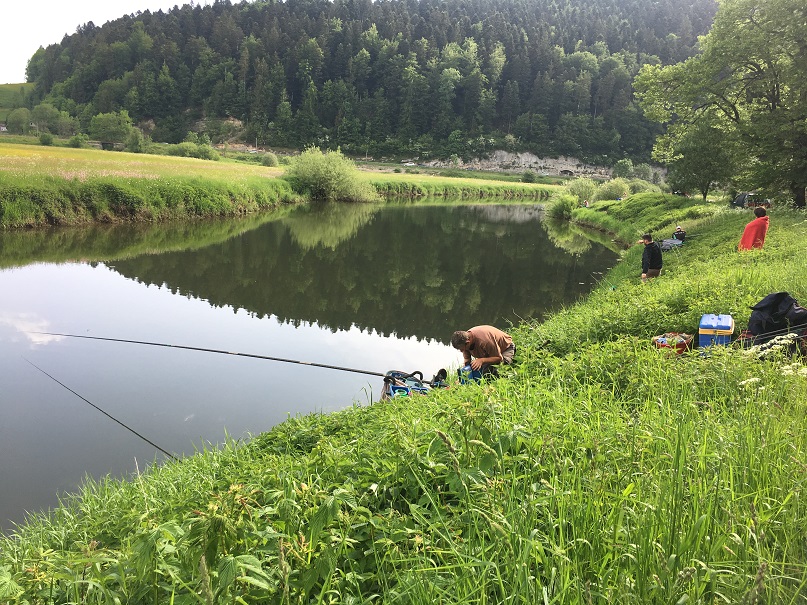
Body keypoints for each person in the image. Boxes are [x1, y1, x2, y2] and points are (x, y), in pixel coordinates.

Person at [451, 325, 515, 376]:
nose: (461, 351)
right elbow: (467, 360)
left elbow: (499, 358)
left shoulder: (485, 341)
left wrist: (481, 360)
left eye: (462, 349)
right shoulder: (464, 341)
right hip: (490, 353)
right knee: (482, 371)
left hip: (506, 349)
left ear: (467, 342)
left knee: (499, 369)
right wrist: (462, 375)